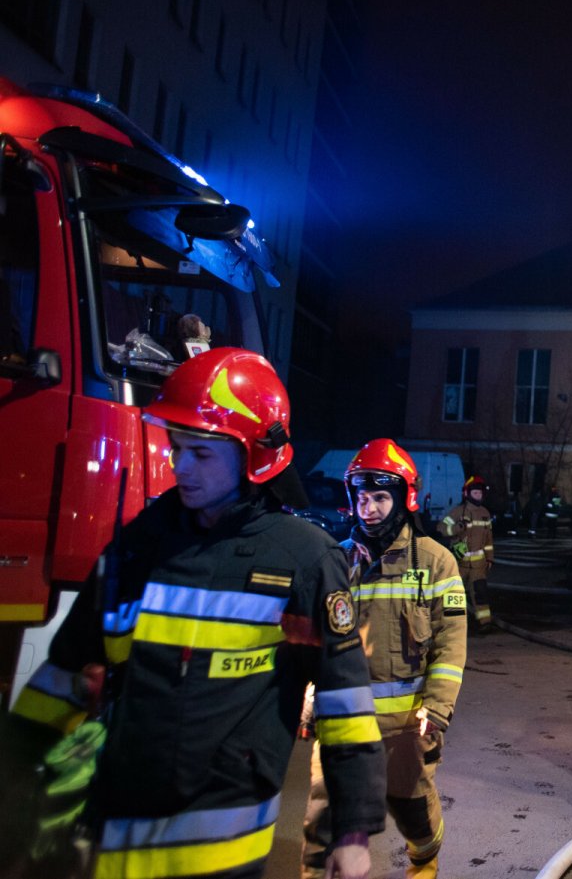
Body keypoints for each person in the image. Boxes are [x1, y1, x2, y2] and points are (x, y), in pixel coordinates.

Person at [4, 348, 386, 879]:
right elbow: (67, 672)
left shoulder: (301, 561)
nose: (180, 468)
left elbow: (344, 705)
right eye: (177, 447)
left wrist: (352, 830)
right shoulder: (138, 546)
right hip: (112, 841)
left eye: (202, 455)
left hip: (220, 853)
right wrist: (14, 774)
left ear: (254, 455)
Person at [303, 438, 468, 879]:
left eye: (379, 496)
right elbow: (315, 640)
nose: (368, 507)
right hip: (342, 722)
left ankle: (424, 862)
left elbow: (451, 645)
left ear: (404, 498)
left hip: (405, 728)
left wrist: (436, 708)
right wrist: (307, 696)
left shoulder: (437, 563)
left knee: (416, 818)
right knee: (323, 827)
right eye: (360, 497)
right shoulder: (336, 561)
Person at [440, 476, 495, 633]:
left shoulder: (485, 513)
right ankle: (453, 626)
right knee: (454, 594)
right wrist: (457, 527)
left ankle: (484, 623)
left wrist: (490, 558)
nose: (478, 496)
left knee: (480, 594)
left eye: (480, 493)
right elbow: (442, 528)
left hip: (479, 564)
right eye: (475, 493)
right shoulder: (457, 511)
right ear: (467, 493)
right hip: (459, 562)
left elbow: (489, 539)